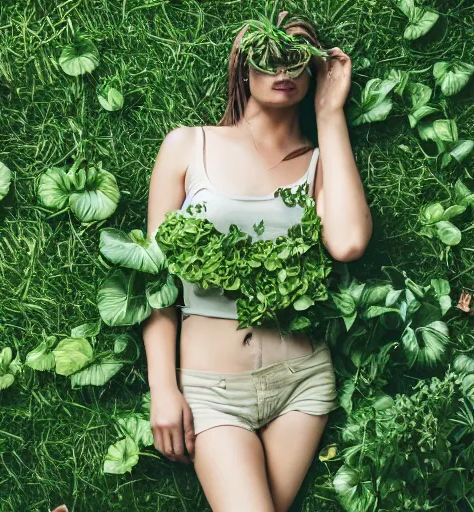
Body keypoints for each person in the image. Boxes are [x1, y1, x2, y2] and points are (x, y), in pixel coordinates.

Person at [143, 10, 372, 512]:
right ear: (243, 70)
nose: (283, 71)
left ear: (312, 71)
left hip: (303, 383)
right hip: (211, 391)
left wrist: (331, 115)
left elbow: (349, 242)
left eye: (297, 61)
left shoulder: (318, 161)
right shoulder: (188, 146)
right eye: (268, 59)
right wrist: (162, 387)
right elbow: (153, 281)